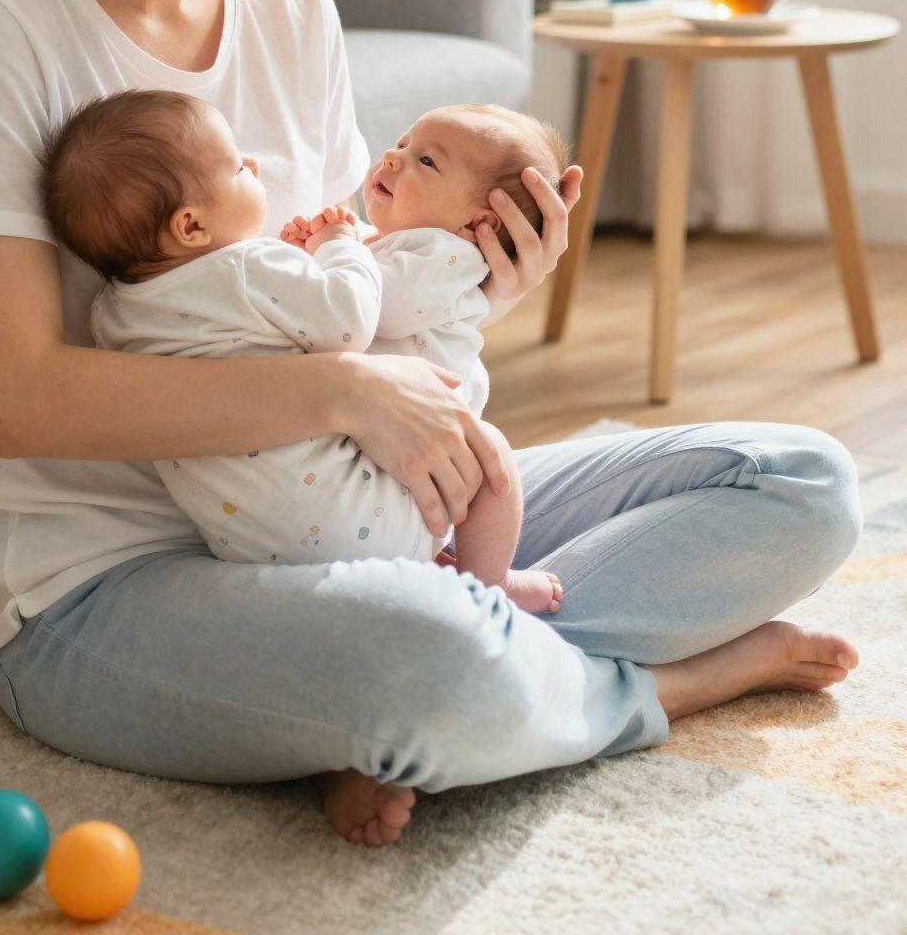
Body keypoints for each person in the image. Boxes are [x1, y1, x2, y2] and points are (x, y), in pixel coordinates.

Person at [0, 0, 863, 849]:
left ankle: (444, 706)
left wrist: (469, 283)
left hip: (361, 513)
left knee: (800, 484)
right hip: (103, 590)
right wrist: (342, 388)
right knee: (431, 660)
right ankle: (653, 688)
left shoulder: (285, 4)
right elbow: (15, 401)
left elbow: (338, 284)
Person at [39, 88, 565, 616]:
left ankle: (445, 576)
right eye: (236, 168)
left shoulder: (114, 314)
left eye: (422, 159)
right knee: (492, 460)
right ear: (193, 226)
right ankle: (488, 584)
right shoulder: (248, 269)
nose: (392, 156)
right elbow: (350, 319)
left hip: (250, 543)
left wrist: (331, 252)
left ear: (481, 226)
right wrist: (335, 245)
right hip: (366, 508)